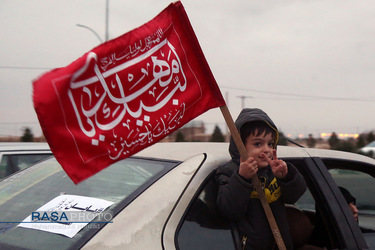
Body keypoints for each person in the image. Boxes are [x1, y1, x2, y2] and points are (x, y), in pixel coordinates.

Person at [215, 108, 307, 249]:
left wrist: (286, 177)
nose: (267, 149)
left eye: (270, 143)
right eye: (258, 144)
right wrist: (242, 178)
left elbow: (293, 197)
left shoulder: (273, 170)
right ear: (240, 146)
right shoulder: (229, 172)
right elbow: (230, 210)